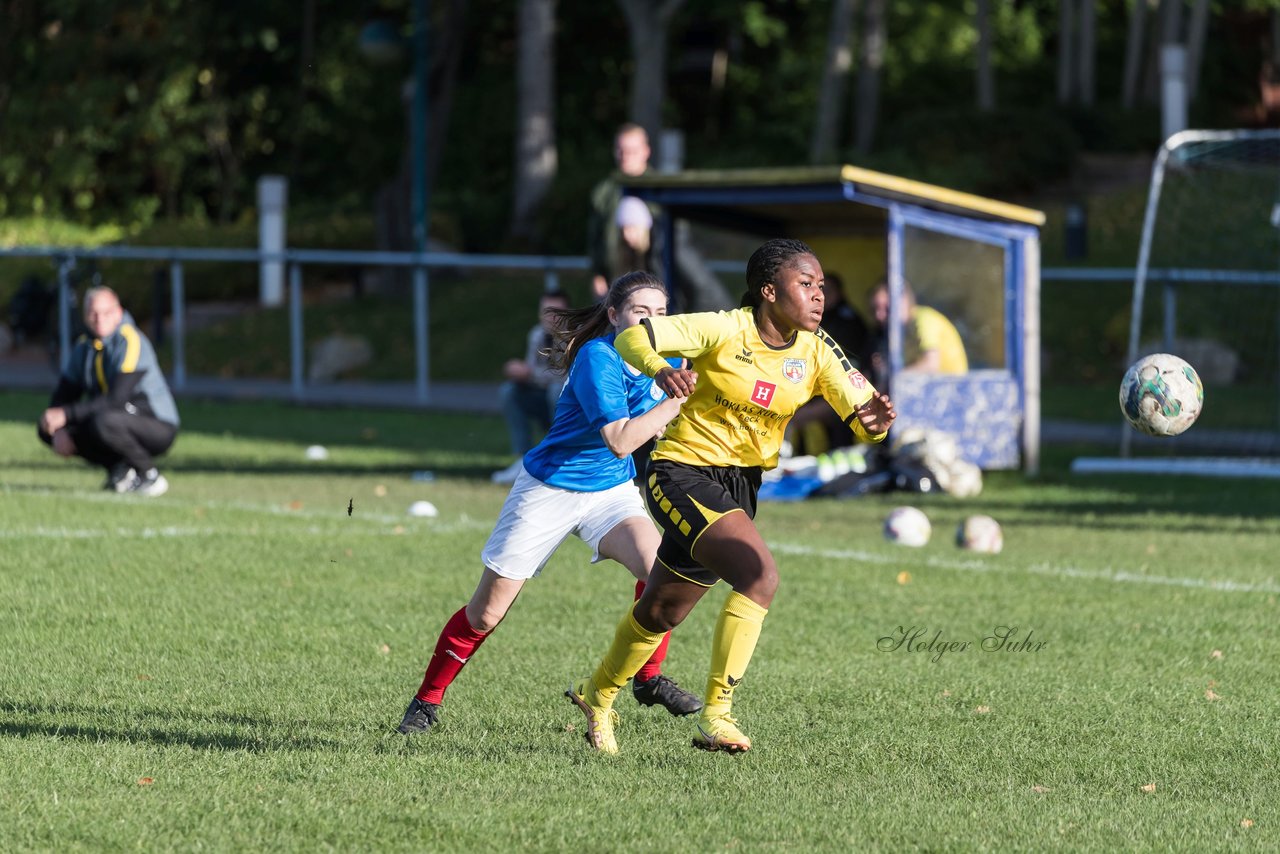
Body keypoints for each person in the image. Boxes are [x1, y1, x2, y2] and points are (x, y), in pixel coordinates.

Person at [565, 239, 896, 755]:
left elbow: (864, 416)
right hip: (681, 472)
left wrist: (874, 424)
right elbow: (632, 337)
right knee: (759, 575)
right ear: (768, 291)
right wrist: (660, 369)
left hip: (742, 484)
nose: (818, 296)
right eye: (804, 284)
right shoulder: (721, 327)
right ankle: (718, 715)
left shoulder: (818, 350)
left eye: (821, 287)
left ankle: (597, 694)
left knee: (662, 611)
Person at [398, 271, 703, 737]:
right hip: (549, 489)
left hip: (610, 493)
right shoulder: (597, 357)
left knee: (660, 573)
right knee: (486, 613)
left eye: (661, 313)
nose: (651, 322)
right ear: (614, 314)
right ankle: (426, 701)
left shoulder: (670, 357)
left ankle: (647, 678)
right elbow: (621, 440)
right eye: (641, 312)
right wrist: (674, 406)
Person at [37, 286, 179, 496]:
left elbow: (116, 399)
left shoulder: (130, 340)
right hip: (114, 417)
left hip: (156, 423)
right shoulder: (85, 346)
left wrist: (66, 415)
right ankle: (121, 471)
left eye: (106, 312)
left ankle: (149, 475)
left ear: (118, 312)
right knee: (46, 426)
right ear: (85, 316)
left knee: (104, 421)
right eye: (93, 313)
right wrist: (58, 427)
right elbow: (64, 394)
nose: (99, 318)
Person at [586, 123, 733, 313]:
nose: (626, 156)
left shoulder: (661, 190)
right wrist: (597, 273)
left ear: (646, 151)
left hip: (656, 277)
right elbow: (595, 238)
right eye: (621, 150)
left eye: (632, 150)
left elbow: (677, 242)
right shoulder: (604, 193)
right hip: (617, 278)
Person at [785, 271, 874, 457]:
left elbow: (846, 367)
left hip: (843, 387)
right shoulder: (820, 317)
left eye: (825, 290)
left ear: (840, 292)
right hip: (817, 386)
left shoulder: (848, 321)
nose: (820, 295)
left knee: (806, 417)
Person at [491, 289, 571, 485]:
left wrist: (529, 373)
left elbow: (565, 377)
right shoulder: (536, 334)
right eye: (546, 312)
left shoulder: (573, 336)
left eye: (556, 312)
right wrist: (518, 373)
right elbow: (534, 371)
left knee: (556, 392)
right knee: (510, 391)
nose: (550, 318)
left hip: (566, 404)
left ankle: (559, 456)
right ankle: (523, 458)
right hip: (543, 397)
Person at [867, 278, 968, 386]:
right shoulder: (900, 331)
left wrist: (893, 379)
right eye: (874, 309)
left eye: (886, 308)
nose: (879, 316)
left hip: (952, 390)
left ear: (903, 301)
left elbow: (930, 364)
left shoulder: (924, 319)